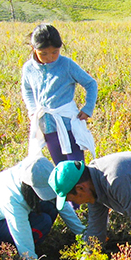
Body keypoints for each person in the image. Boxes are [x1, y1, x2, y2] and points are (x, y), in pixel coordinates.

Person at [22, 23, 98, 165]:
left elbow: (91, 84)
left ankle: (82, 187)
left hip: (69, 124)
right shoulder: (28, 69)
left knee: (76, 167)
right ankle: (67, 188)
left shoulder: (66, 64)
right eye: (43, 53)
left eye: (54, 52)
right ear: (34, 49)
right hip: (47, 126)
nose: (50, 57)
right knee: (61, 167)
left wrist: (88, 108)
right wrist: (32, 110)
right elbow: (26, 90)